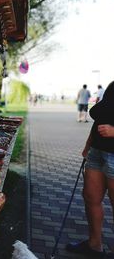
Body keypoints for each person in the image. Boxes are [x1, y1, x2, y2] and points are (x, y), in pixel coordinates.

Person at [66, 81, 114, 258]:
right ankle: (94, 245)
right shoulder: (112, 86)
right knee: (90, 197)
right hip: (97, 152)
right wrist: (88, 145)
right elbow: (100, 119)